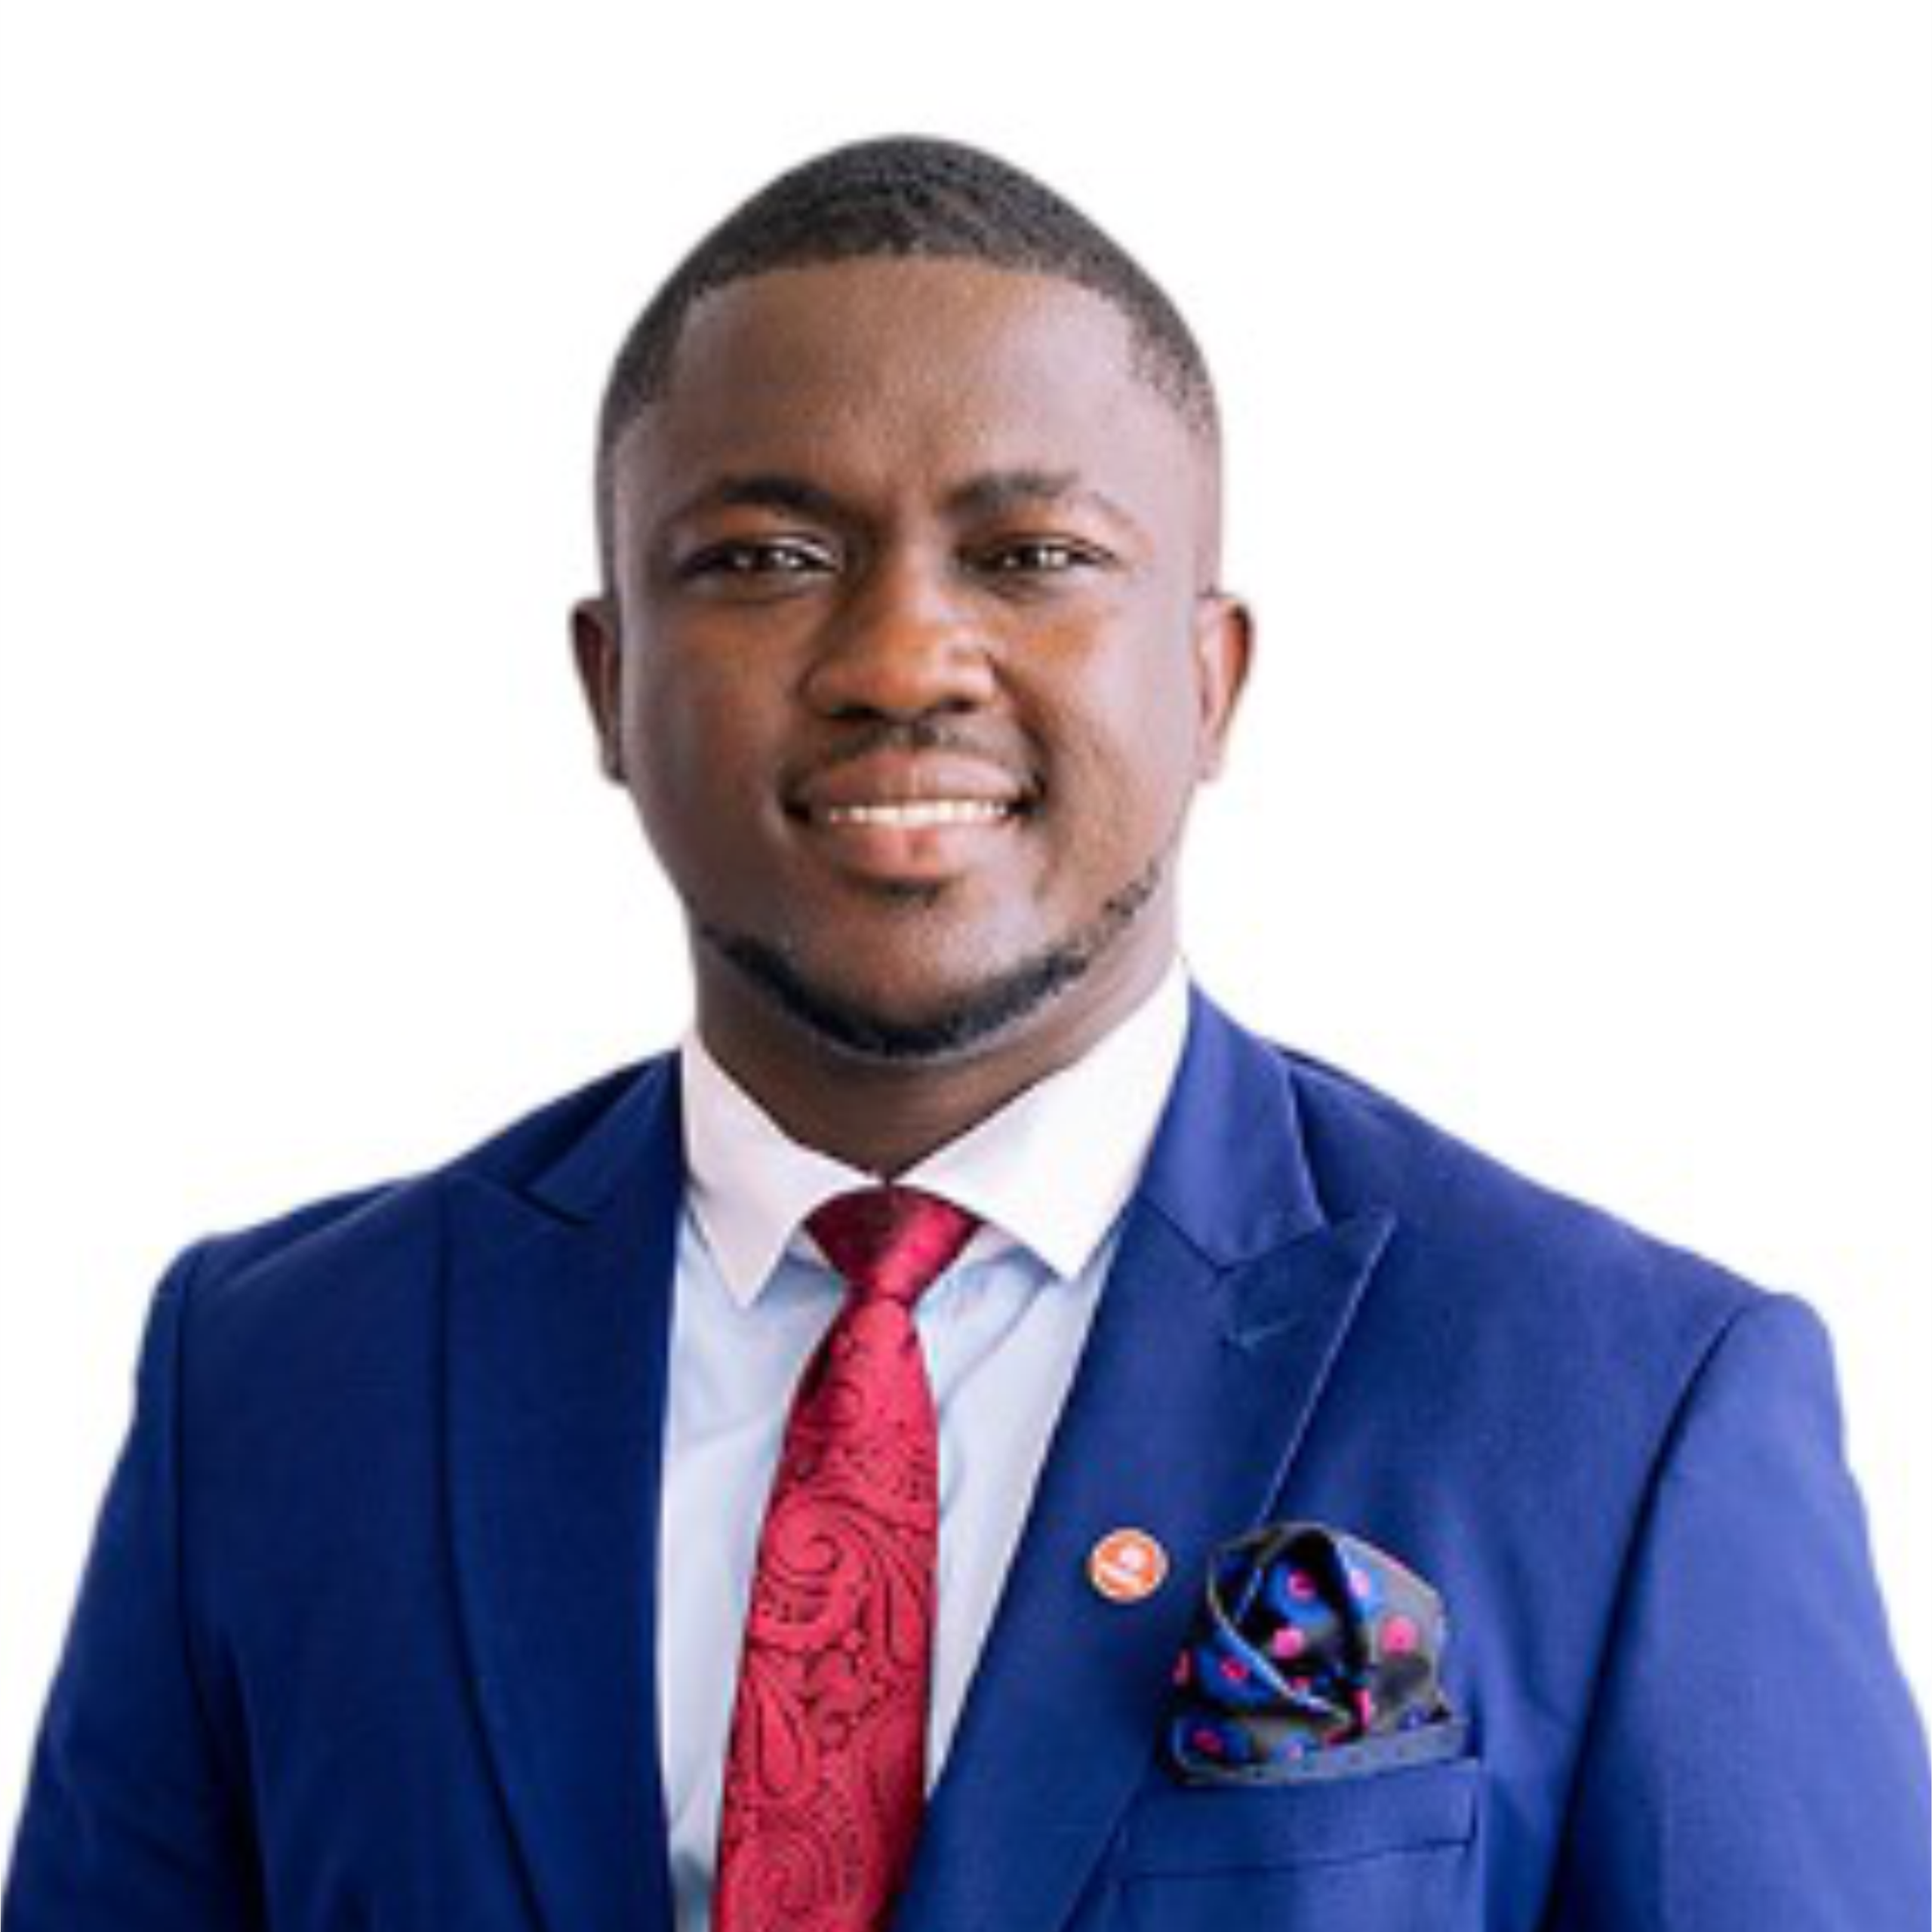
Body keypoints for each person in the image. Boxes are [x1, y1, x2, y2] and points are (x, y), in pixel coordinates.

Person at [5, 135, 1929, 1932]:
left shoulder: (1629, 1403)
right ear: (609, 679)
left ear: (1206, 678)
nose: (899, 660)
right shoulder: (275, 1380)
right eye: (765, 557)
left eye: (1031, 556)